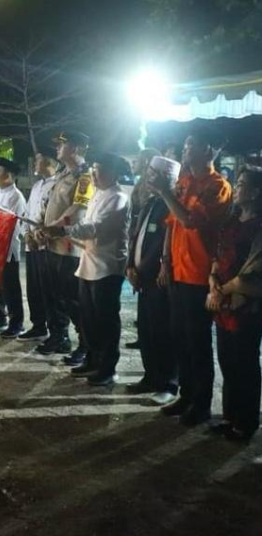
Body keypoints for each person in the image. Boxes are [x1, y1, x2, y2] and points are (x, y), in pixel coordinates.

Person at [149, 128, 232, 426]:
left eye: (191, 145)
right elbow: (172, 224)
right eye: (184, 144)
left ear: (208, 150)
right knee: (180, 338)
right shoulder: (184, 182)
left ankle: (201, 403)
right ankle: (185, 394)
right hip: (178, 273)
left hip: (199, 276)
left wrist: (164, 192)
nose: (185, 149)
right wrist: (164, 262)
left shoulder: (217, 186)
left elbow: (190, 220)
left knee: (197, 343)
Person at [44, 153, 130, 386]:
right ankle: (92, 360)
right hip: (88, 264)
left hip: (107, 267)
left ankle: (108, 368)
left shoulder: (118, 198)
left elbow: (95, 228)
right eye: (93, 169)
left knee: (106, 321)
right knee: (89, 318)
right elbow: (84, 224)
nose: (93, 174)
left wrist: (64, 231)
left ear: (113, 173)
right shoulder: (98, 194)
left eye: (99, 170)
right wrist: (64, 229)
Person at [206, 167, 262, 441]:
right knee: (227, 362)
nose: (236, 189)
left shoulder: (258, 228)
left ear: (256, 192)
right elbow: (217, 256)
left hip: (245, 307)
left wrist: (221, 291)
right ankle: (230, 416)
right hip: (223, 303)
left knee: (245, 364)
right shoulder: (233, 221)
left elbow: (249, 278)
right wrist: (212, 283)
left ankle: (246, 421)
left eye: (241, 185)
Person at [126, 156, 181, 404]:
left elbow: (161, 244)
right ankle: (151, 377)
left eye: (154, 173)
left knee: (164, 331)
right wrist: (130, 265)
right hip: (142, 278)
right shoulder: (150, 203)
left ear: (167, 178)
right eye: (148, 171)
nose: (148, 176)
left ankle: (169, 382)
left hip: (158, 279)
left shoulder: (171, 205)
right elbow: (136, 236)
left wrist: (142, 268)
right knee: (147, 331)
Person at [36, 131, 95, 365]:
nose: (58, 148)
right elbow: (50, 204)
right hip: (52, 244)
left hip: (70, 247)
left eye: (63, 144)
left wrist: (53, 226)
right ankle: (59, 336)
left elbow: (79, 209)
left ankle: (85, 344)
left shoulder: (85, 176)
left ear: (77, 148)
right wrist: (42, 225)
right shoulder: (63, 174)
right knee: (54, 295)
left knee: (73, 299)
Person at [18, 147, 59, 342]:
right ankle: (38, 325)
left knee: (48, 290)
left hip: (46, 245)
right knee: (33, 288)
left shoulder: (56, 185)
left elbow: (51, 217)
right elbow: (26, 214)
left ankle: (56, 331)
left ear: (50, 162)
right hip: (31, 244)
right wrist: (27, 234)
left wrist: (37, 235)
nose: (35, 163)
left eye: (39, 160)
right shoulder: (36, 186)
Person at [125, 148, 161, 350]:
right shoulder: (141, 185)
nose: (133, 163)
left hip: (147, 242)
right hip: (137, 235)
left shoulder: (155, 193)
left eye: (137, 160)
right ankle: (144, 336)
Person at [0, 157, 28, 336]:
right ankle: (0, 317)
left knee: (11, 288)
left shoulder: (15, 196)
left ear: (9, 176)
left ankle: (16, 322)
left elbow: (9, 224)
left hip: (8, 249)